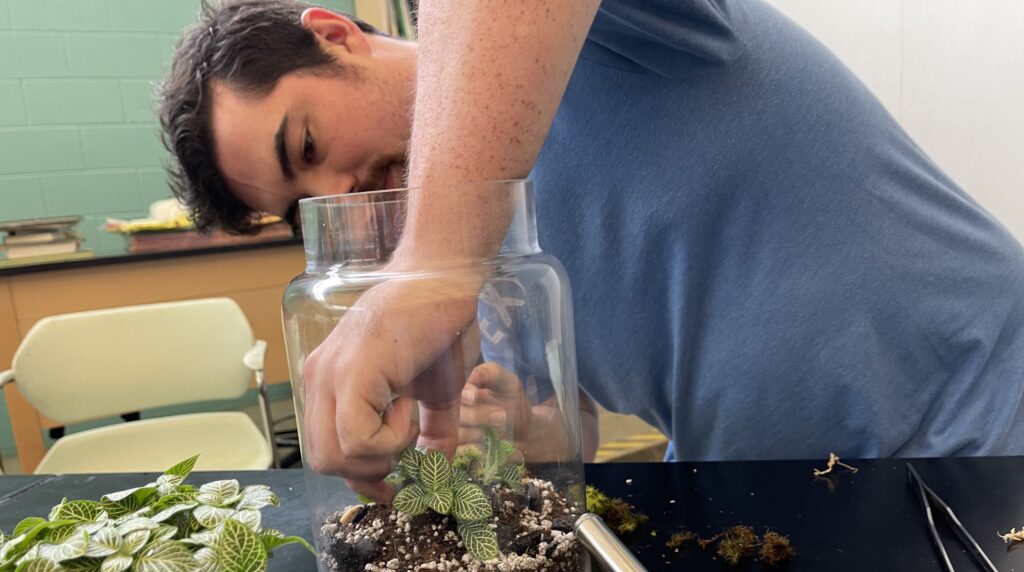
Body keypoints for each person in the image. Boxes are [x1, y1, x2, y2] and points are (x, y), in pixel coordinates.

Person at [160, 0, 1024, 498]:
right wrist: (528, 429)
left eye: (307, 147)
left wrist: (431, 262)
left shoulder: (604, 29)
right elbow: (578, 424)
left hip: (985, 425)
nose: (340, 196)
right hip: (796, 497)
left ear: (335, 34)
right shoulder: (470, 260)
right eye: (305, 202)